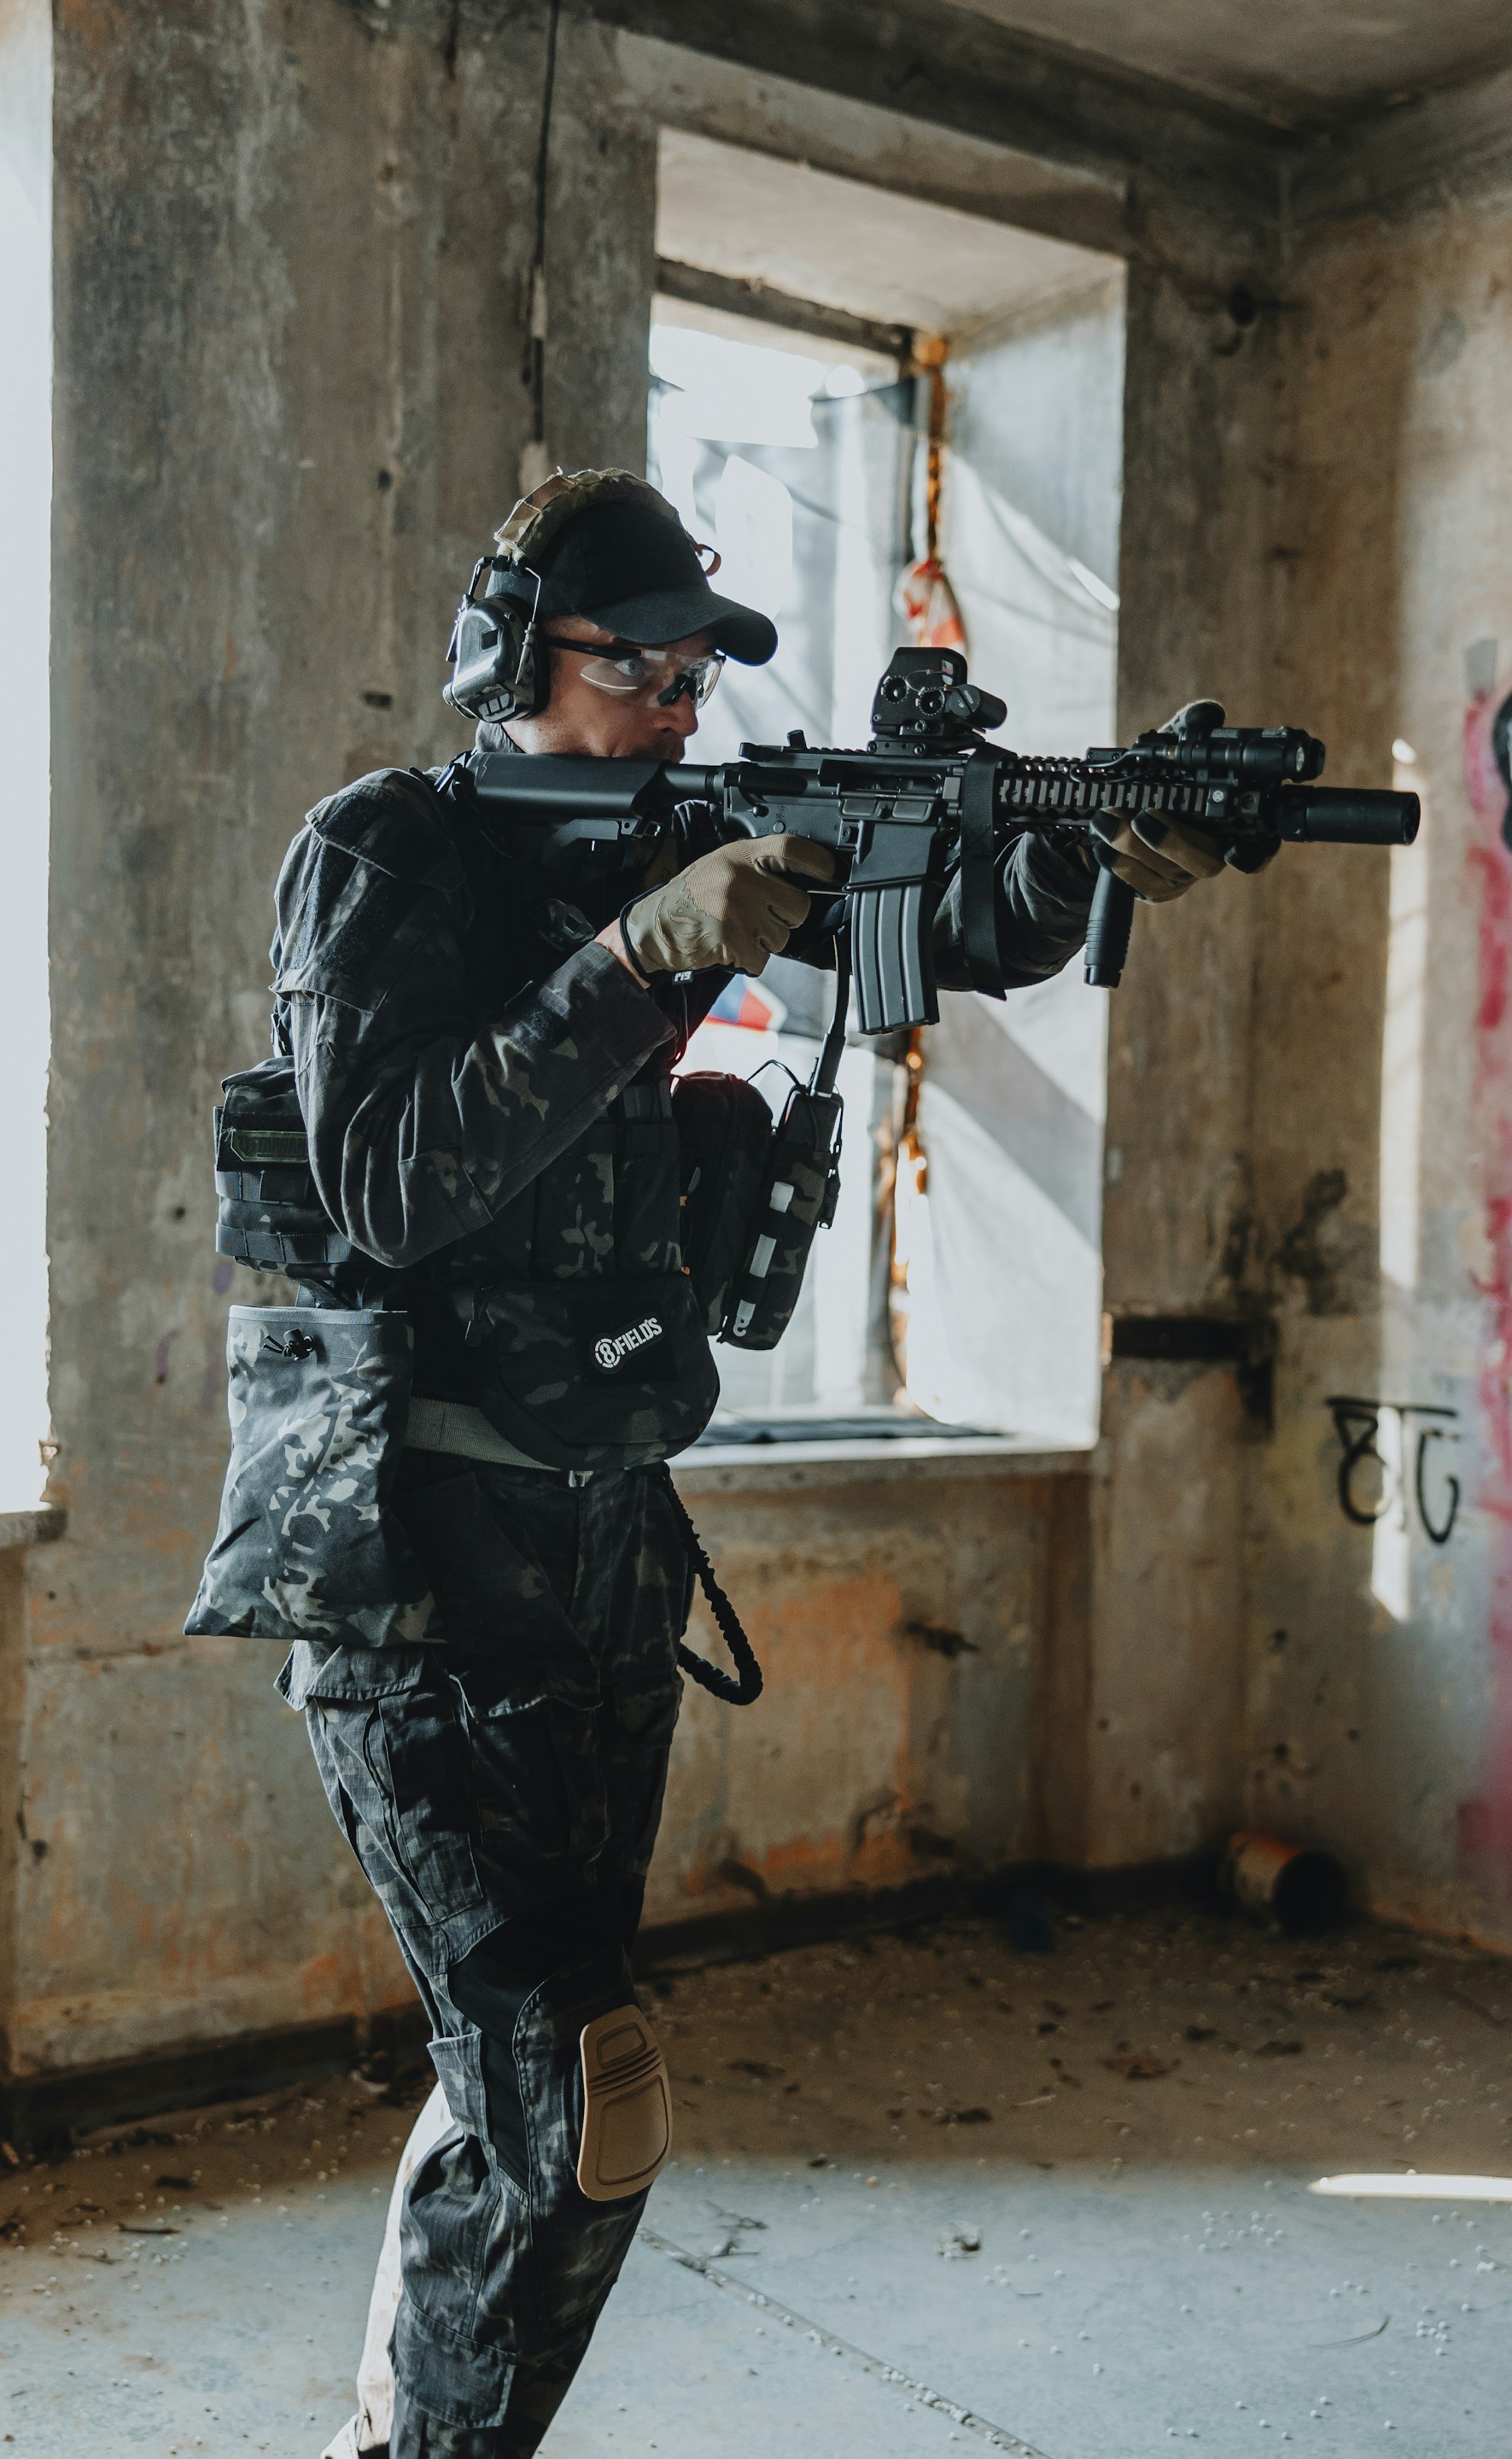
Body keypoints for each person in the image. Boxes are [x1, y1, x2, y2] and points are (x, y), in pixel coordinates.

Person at [242, 469, 1225, 2459]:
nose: (679, 705)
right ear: (517, 663)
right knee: (576, 2097)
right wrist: (637, 958)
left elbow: (930, 919)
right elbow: (391, 1179)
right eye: (639, 667)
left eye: (700, 669)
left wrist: (1079, 854)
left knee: (519, 2085)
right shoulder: (390, 854)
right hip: (414, 1568)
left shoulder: (695, 844)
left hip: (602, 1559)